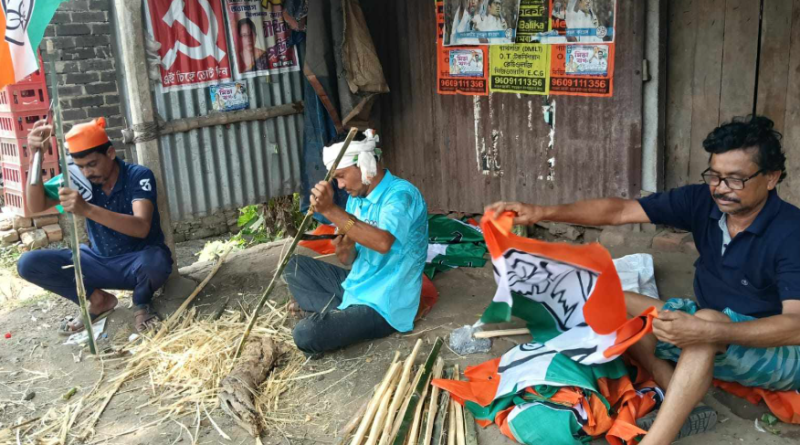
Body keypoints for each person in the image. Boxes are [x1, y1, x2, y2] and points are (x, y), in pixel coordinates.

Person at [486, 115, 800, 444]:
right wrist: (542, 212)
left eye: (735, 180)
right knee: (604, 296)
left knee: (704, 323)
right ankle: (680, 397)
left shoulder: (791, 232)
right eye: (715, 176)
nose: (721, 189)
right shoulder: (701, 202)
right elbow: (620, 211)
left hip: (777, 349)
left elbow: (794, 326)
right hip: (709, 328)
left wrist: (712, 330)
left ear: (771, 178)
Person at [17, 118, 173, 334]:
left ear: (110, 153)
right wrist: (36, 156)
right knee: (29, 262)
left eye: (92, 164)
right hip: (97, 261)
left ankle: (141, 303)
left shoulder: (138, 175)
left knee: (156, 261)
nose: (87, 172)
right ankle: (98, 300)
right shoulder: (77, 179)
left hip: (136, 263)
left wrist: (87, 209)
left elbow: (141, 227)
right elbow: (36, 205)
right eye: (80, 166)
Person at [283, 130, 428, 356]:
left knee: (305, 334)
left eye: (341, 176)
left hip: (385, 305)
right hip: (357, 287)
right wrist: (345, 251)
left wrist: (331, 210)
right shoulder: (356, 200)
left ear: (365, 163)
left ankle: (331, 318)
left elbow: (382, 242)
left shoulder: (400, 195)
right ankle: (339, 317)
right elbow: (350, 260)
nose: (340, 185)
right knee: (293, 266)